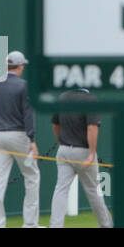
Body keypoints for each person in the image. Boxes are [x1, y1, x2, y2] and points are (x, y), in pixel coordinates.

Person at [0, 50, 39, 228]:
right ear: (20, 66)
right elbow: (28, 115)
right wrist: (32, 140)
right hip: (19, 135)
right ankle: (30, 224)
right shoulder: (24, 86)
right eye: (23, 65)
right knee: (32, 177)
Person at [50, 88, 113, 228]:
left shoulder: (62, 97)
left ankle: (55, 226)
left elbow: (55, 125)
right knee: (93, 191)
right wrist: (92, 153)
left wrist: (62, 143)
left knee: (60, 190)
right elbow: (92, 128)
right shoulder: (90, 99)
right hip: (83, 152)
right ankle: (106, 225)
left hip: (64, 150)